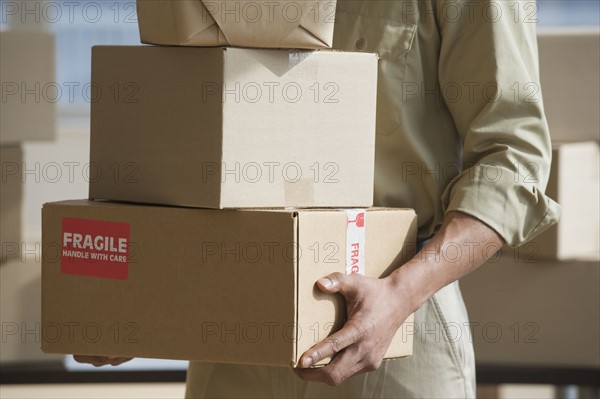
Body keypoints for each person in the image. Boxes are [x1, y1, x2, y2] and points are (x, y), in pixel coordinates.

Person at [77, 0, 560, 397]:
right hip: (230, 326)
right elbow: (190, 135)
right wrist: (142, 302)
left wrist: (400, 295)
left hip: (394, 323)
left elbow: (512, 161)